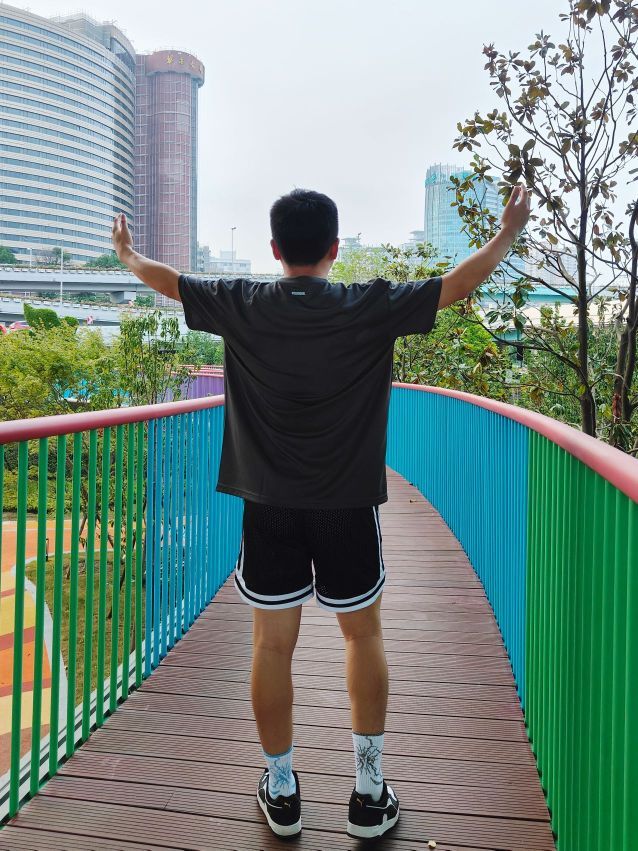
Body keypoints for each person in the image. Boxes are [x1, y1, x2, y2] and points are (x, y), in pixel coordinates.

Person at [111, 185, 530, 840]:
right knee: (363, 636)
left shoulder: (242, 302)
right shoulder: (370, 303)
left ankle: (282, 792)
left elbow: (169, 283)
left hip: (269, 505)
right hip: (347, 504)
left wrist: (128, 255)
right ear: (335, 248)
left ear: (274, 249)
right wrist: (507, 233)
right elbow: (456, 286)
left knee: (271, 644)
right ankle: (368, 792)